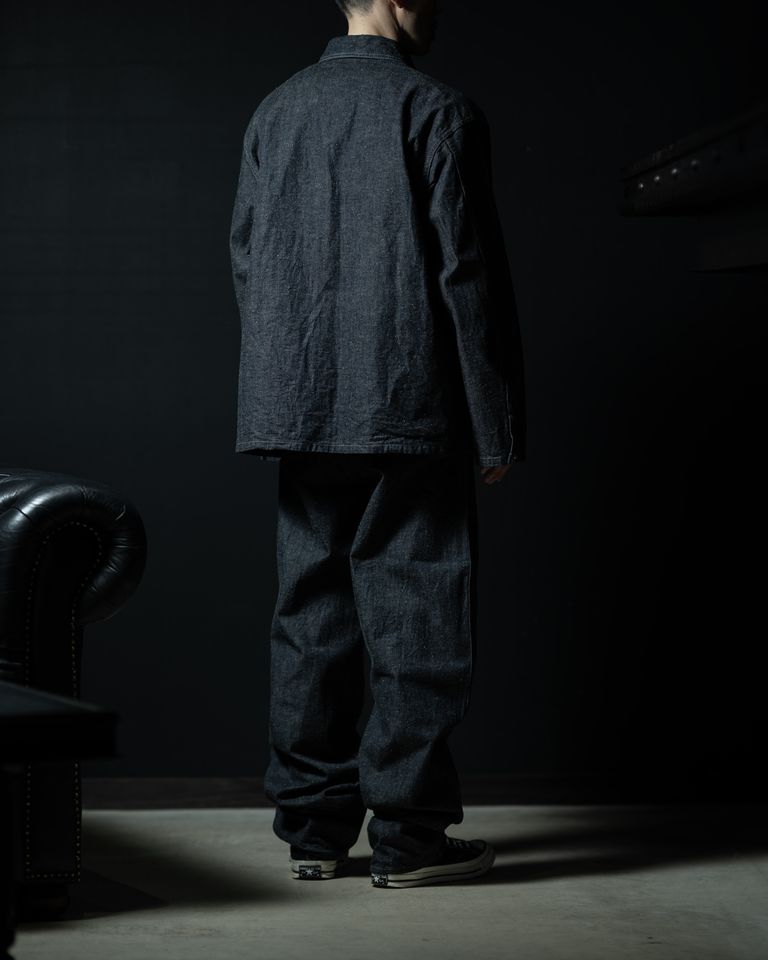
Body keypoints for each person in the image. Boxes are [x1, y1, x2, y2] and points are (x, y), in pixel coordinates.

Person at [229, 0, 527, 889]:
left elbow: (247, 255)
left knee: (309, 615)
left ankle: (313, 833)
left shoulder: (277, 108)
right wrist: (494, 422)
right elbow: (466, 273)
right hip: (410, 399)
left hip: (299, 403)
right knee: (418, 617)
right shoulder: (437, 110)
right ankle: (408, 838)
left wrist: (285, 380)